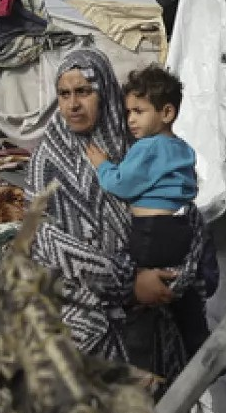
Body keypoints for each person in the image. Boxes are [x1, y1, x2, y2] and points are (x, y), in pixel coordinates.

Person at [26, 46, 209, 413]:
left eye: (84, 92)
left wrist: (175, 277)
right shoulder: (49, 159)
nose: (73, 104)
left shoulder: (140, 144)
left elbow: (187, 216)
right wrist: (126, 281)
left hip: (154, 324)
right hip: (85, 326)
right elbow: (46, 243)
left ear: (104, 91)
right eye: (64, 94)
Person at [82, 64, 208, 374]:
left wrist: (102, 165)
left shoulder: (147, 148)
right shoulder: (182, 149)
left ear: (166, 113)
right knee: (183, 299)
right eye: (128, 113)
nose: (131, 120)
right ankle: (202, 349)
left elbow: (121, 184)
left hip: (151, 232)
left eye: (139, 111)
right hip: (179, 229)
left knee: (137, 291)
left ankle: (139, 359)